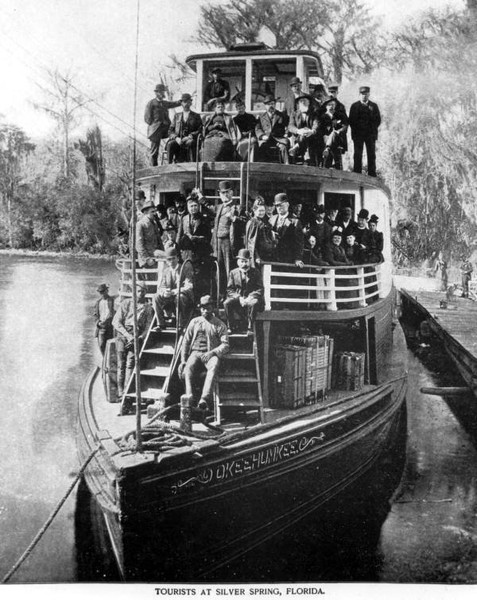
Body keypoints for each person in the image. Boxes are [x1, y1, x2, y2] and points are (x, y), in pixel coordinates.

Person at [179, 294, 229, 412]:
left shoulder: (219, 324)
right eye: (203, 308)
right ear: (200, 309)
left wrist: (212, 353)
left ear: (212, 308)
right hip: (195, 352)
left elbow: (225, 345)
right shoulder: (194, 322)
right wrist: (183, 360)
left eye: (208, 308)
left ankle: (204, 399)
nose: (205, 310)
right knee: (187, 368)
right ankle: (189, 398)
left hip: (210, 353)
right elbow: (185, 342)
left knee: (214, 365)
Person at [112, 281, 154, 399]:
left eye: (143, 291)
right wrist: (127, 336)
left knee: (130, 363)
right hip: (122, 335)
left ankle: (127, 391)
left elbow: (148, 327)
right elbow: (116, 322)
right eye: (138, 291)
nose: (140, 294)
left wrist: (139, 338)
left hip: (135, 338)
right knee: (121, 364)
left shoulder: (148, 308)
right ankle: (120, 392)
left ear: (146, 292)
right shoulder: (126, 303)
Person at [179, 195, 213, 301]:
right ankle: (190, 301)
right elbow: (179, 235)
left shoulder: (204, 218)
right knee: (188, 276)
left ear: (198, 206)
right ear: (187, 207)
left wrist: (196, 238)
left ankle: (200, 301)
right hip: (187, 253)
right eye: (191, 206)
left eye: (195, 206)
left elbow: (208, 237)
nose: (193, 208)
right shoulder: (184, 218)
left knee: (200, 277)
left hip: (201, 253)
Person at [224, 249, 264, 335]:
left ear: (249, 261)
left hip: (251, 298)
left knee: (253, 303)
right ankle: (230, 326)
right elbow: (229, 289)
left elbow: (260, 289)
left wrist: (250, 297)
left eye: (246, 261)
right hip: (239, 299)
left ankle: (250, 328)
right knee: (226, 303)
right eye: (242, 261)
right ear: (238, 262)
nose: (244, 264)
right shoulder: (233, 272)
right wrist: (239, 298)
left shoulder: (255, 272)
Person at [153, 247, 194, 329]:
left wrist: (175, 291)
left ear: (178, 258)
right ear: (167, 261)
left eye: (173, 258)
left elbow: (189, 286)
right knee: (155, 297)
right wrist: (165, 292)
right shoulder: (166, 271)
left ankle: (181, 324)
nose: (171, 261)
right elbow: (161, 286)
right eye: (169, 259)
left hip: (184, 299)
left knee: (180, 297)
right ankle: (160, 324)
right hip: (170, 298)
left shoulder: (185, 269)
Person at [144, 83, 181, 166]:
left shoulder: (164, 103)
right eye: (160, 92)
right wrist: (154, 124)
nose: (162, 94)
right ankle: (154, 167)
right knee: (154, 150)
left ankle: (174, 161)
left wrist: (181, 101)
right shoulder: (151, 103)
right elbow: (147, 118)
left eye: (162, 92)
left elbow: (173, 104)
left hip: (166, 128)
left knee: (175, 137)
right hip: (156, 130)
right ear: (156, 93)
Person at [349, 86, 381, 177]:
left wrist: (371, 129)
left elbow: (378, 120)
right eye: (362, 94)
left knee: (371, 154)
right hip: (358, 135)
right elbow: (351, 121)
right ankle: (357, 173)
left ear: (369, 94)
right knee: (357, 154)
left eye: (366, 94)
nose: (364, 96)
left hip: (370, 135)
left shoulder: (373, 106)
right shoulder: (354, 106)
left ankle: (372, 173)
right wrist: (357, 130)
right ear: (359, 95)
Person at [268, 193, 304, 266]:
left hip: (288, 259)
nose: (279, 207)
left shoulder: (295, 221)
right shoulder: (272, 219)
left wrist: (298, 259)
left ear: (287, 204)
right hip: (273, 258)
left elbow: (299, 243)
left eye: (281, 205)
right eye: (277, 205)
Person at [167, 93, 202, 163]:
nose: (186, 104)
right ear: (181, 103)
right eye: (184, 102)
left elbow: (200, 129)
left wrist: (190, 136)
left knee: (191, 143)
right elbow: (170, 131)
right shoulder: (177, 116)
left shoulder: (196, 116)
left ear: (190, 103)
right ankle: (169, 166)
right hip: (179, 140)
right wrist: (176, 138)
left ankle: (193, 166)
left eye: (188, 102)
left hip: (190, 139)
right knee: (170, 144)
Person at [256, 95, 290, 164]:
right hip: (266, 139)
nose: (271, 106)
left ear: (275, 104)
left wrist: (286, 133)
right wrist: (262, 136)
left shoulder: (281, 115)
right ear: (265, 106)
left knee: (283, 147)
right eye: (268, 104)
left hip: (279, 139)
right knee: (261, 148)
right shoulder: (261, 117)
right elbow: (258, 128)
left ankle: (287, 167)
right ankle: (263, 168)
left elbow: (289, 126)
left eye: (272, 104)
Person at [288, 96, 320, 165]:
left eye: (306, 104)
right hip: (297, 137)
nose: (305, 106)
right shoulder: (294, 114)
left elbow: (316, 124)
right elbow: (290, 126)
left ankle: (296, 147)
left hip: (311, 137)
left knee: (305, 135)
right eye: (302, 104)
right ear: (299, 105)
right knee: (302, 135)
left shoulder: (313, 114)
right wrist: (298, 131)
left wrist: (312, 131)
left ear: (309, 105)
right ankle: (306, 158)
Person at [245, 198, 277, 266]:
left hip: (265, 256)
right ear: (254, 210)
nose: (262, 213)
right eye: (260, 211)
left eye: (263, 211)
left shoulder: (262, 221)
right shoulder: (253, 223)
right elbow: (251, 243)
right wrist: (257, 257)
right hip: (258, 258)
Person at [318, 99, 348, 169]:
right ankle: (328, 150)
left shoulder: (340, 115)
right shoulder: (322, 117)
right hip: (325, 139)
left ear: (335, 106)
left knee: (334, 133)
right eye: (329, 105)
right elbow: (320, 129)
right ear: (326, 106)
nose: (331, 107)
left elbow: (345, 126)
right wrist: (324, 135)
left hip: (338, 139)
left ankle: (327, 149)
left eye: (333, 105)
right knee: (331, 141)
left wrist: (339, 131)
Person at [136, 200, 165, 267]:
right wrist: (147, 259)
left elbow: (159, 241)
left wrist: (163, 253)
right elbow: (139, 245)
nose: (155, 213)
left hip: (156, 256)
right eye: (152, 212)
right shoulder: (141, 224)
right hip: (146, 259)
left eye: (155, 211)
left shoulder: (154, 224)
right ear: (146, 212)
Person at [93, 283, 115, 355]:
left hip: (110, 327)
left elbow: (112, 313)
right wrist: (98, 322)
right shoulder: (98, 302)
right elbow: (96, 315)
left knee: (110, 346)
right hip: (101, 327)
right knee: (101, 345)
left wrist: (106, 321)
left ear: (107, 291)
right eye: (100, 292)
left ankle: (108, 363)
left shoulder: (112, 300)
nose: (102, 294)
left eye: (103, 291)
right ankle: (104, 361)